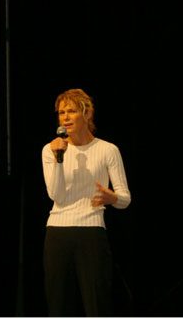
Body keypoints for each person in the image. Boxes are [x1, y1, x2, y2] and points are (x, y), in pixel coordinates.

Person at [42, 88, 131, 316]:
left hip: (91, 232)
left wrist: (112, 198)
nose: (65, 117)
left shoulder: (108, 150)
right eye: (61, 113)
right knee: (59, 307)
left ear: (87, 114)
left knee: (96, 304)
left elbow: (125, 199)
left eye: (71, 111)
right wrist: (59, 160)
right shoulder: (50, 150)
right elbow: (56, 195)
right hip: (57, 232)